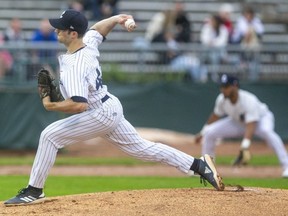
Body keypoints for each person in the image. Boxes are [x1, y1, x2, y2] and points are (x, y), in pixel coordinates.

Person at [4, 9, 224, 206]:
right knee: (143, 149)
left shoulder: (75, 65)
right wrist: (118, 18)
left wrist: (52, 105)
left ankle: (34, 190)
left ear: (72, 34)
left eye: (60, 28)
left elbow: (79, 105)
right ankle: (199, 165)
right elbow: (98, 29)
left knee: (49, 135)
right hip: (108, 107)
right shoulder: (87, 42)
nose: (56, 30)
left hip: (98, 113)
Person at [195, 74, 288, 178]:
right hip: (237, 122)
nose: (222, 90)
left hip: (261, 119)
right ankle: (206, 169)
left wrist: (245, 146)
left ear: (235, 86)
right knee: (210, 133)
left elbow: (251, 124)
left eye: (226, 86)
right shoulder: (221, 99)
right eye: (221, 86)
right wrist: (203, 132)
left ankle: (286, 166)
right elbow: (215, 115)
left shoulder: (248, 100)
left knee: (267, 132)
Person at [231, 6, 265, 81]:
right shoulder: (241, 21)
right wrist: (250, 30)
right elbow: (243, 33)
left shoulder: (256, 21)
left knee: (254, 62)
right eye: (247, 15)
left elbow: (261, 31)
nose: (248, 17)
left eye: (250, 15)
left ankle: (252, 74)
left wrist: (251, 27)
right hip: (239, 43)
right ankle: (242, 63)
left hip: (253, 46)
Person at [200, 14, 229, 82]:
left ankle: (214, 74)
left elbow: (222, 41)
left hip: (219, 51)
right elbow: (204, 39)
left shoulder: (223, 28)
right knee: (204, 53)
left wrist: (213, 43)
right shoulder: (207, 27)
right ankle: (203, 74)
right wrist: (210, 43)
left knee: (214, 55)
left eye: (214, 21)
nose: (212, 22)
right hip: (208, 50)